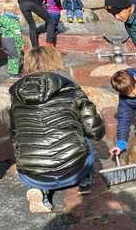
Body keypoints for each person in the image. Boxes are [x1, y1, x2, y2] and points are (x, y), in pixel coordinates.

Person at [9, 46, 104, 213]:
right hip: (74, 168)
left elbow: (15, 132)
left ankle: (41, 192)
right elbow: (93, 127)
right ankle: (84, 181)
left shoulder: (16, 94)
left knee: (28, 139)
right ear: (54, 60)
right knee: (86, 138)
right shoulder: (69, 87)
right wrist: (96, 134)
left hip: (33, 172)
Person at [0, 0, 24, 79]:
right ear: (14, 10)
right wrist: (21, 43)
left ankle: (10, 70)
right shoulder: (14, 21)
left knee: (10, 56)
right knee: (16, 57)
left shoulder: (2, 19)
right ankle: (14, 74)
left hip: (5, 40)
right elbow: (17, 34)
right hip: (13, 40)